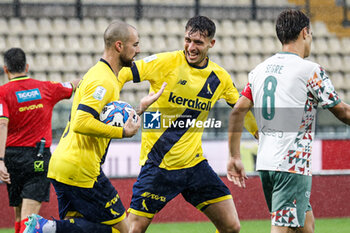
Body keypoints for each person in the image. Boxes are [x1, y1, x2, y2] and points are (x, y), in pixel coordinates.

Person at [117, 15, 258, 233]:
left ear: (212, 44)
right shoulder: (165, 62)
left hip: (194, 166)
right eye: (187, 40)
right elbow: (122, 73)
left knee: (232, 227)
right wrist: (108, 98)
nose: (191, 47)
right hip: (158, 166)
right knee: (133, 230)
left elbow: (240, 110)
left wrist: (260, 135)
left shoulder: (218, 78)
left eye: (198, 43)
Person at [23, 20, 166, 233]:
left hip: (64, 165)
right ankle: (46, 228)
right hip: (82, 169)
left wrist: (138, 109)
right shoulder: (103, 80)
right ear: (119, 46)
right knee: (123, 230)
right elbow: (82, 122)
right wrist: (122, 133)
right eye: (135, 44)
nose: (139, 50)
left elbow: (100, 118)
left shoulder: (101, 74)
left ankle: (50, 228)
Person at [228, 9, 350, 233]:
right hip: (291, 166)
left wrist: (234, 156)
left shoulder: (259, 71)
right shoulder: (310, 70)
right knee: (282, 229)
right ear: (305, 32)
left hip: (266, 165)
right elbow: (342, 111)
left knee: (306, 225)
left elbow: (237, 111)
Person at [0, 47, 79, 233]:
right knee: (29, 218)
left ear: (6, 69)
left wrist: (1, 160)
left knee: (19, 215)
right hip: (37, 156)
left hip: (12, 158)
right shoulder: (46, 87)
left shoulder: (3, 92)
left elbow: (2, 124)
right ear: (27, 66)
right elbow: (73, 85)